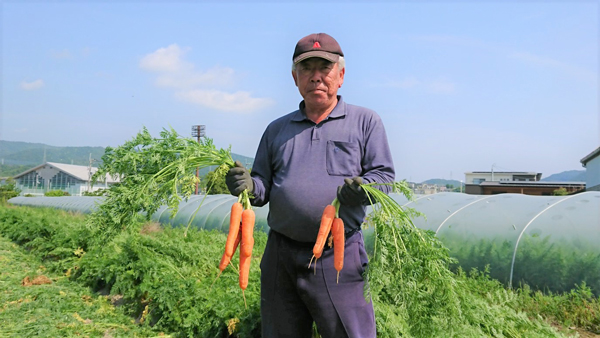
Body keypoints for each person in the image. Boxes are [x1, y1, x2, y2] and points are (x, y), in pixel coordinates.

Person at [226, 32, 395, 338]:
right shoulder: (276, 129)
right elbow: (263, 186)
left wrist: (362, 191)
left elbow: (383, 178)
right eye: (307, 68)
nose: (316, 77)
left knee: (348, 333)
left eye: (324, 68)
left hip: (338, 256)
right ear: (295, 78)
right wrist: (247, 186)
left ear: (340, 75)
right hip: (281, 254)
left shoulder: (365, 122)